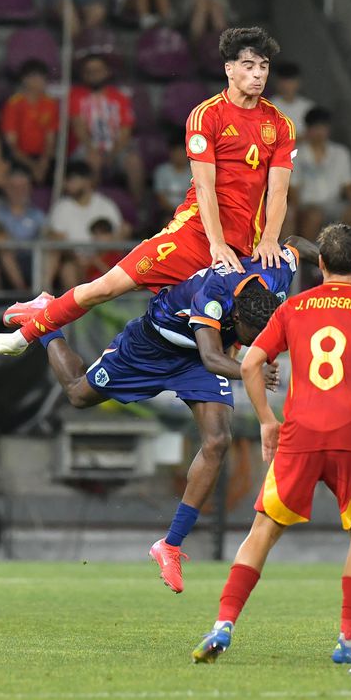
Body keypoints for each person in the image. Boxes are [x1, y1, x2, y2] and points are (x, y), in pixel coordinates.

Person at [0, 27, 295, 361]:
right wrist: (216, 243)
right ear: (229, 68)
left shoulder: (280, 124)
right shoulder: (206, 116)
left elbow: (279, 190)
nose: (258, 74)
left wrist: (270, 238)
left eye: (264, 66)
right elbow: (204, 187)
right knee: (107, 287)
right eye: (249, 65)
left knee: (231, 333)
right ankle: (23, 336)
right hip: (196, 235)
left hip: (246, 247)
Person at [192, 224, 351, 665]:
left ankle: (223, 625)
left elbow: (250, 363)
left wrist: (268, 421)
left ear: (319, 263)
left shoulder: (293, 308)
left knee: (263, 532)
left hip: (300, 432)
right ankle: (348, 639)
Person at [121, 239, 313, 591]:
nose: (260, 345)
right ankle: (47, 326)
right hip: (157, 342)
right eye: (254, 338)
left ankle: (170, 544)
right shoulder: (214, 292)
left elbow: (297, 244)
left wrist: (335, 268)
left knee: (218, 440)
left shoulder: (277, 274)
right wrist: (250, 369)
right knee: (78, 393)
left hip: (201, 356)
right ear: (238, 317)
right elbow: (212, 358)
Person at [68, 56, 143, 201]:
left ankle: (137, 208)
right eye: (89, 71)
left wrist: (113, 153)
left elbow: (125, 130)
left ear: (107, 72)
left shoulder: (120, 97)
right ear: (83, 74)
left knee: (134, 161)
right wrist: (93, 150)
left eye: (97, 70)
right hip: (86, 148)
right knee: (93, 160)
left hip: (115, 148)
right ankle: (91, 204)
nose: (93, 74)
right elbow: (79, 128)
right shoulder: (76, 95)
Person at [290, 107, 351, 241]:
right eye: (316, 128)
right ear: (308, 129)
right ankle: (309, 259)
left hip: (334, 204)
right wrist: (298, 211)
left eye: (323, 127)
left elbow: (349, 185)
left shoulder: (341, 153)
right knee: (314, 216)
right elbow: (293, 189)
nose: (320, 132)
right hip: (307, 206)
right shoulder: (296, 155)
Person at [45, 162, 124, 289]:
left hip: (104, 258)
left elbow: (118, 235)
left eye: (71, 179)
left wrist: (97, 258)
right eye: (66, 180)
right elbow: (57, 239)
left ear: (87, 181)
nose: (67, 184)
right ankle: (52, 301)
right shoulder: (62, 207)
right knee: (67, 269)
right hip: (74, 260)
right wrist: (77, 258)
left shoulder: (106, 205)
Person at [0, 60, 58, 185]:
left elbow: (50, 139)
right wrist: (33, 166)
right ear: (25, 79)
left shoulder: (50, 104)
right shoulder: (13, 104)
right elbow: (11, 145)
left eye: (43, 78)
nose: (41, 82)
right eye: (36, 78)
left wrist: (43, 163)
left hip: (43, 158)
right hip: (21, 158)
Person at [0, 168, 46, 292]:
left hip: (32, 257)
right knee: (5, 251)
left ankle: (45, 292)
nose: (18, 192)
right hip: (6, 259)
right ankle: (24, 293)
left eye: (23, 187)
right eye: (14, 187)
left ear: (29, 189)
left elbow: (46, 234)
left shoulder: (37, 214)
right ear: (6, 188)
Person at [152, 130, 193, 220]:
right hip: (166, 212)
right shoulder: (162, 171)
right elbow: (160, 195)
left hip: (188, 213)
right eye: (177, 152)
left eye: (182, 153)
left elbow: (193, 198)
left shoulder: (193, 173)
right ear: (171, 153)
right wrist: (174, 212)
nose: (179, 156)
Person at [268, 61, 315, 131]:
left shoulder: (309, 107)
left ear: (299, 82)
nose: (287, 86)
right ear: (277, 83)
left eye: (291, 81)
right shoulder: (268, 106)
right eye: (284, 81)